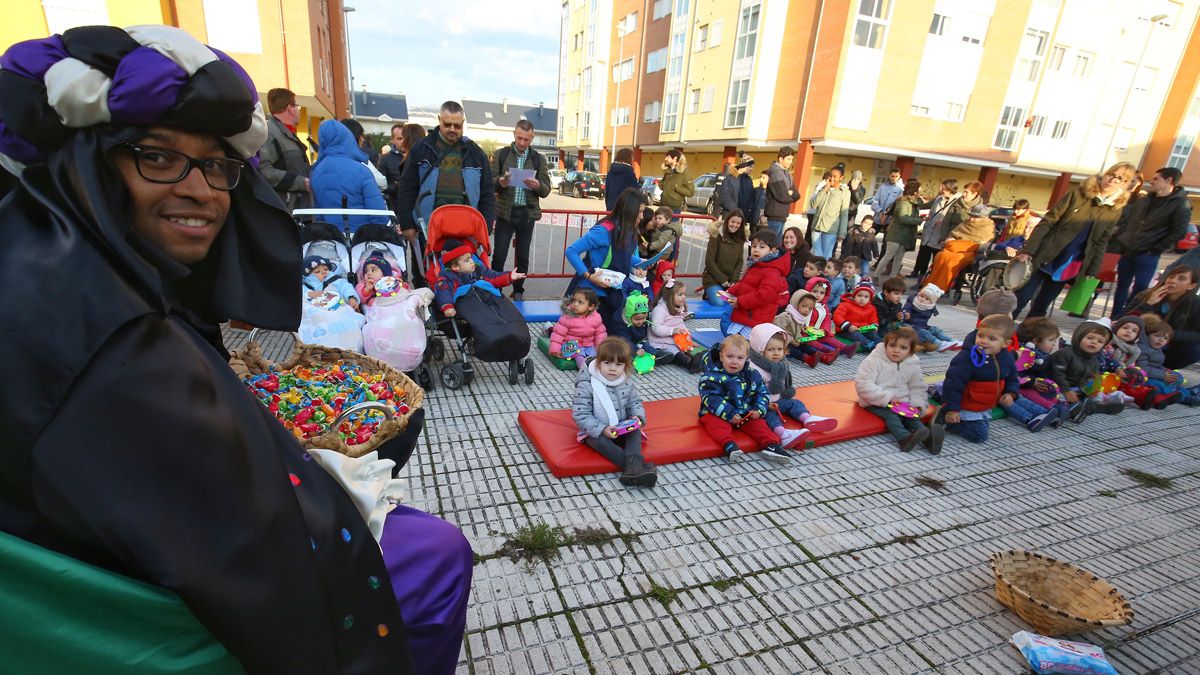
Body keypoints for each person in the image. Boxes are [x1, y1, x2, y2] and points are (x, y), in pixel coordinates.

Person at [0, 25, 470, 673]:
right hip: (157, 599)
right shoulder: (114, 341)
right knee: (439, 549)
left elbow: (226, 349)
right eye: (158, 157)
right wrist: (322, 478)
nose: (199, 189)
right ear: (92, 162)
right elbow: (259, 540)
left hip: (106, 544)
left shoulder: (54, 252)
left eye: (217, 165)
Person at [1012, 163, 1136, 319]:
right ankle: (1000, 335)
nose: (1112, 180)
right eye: (1111, 174)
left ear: (1125, 184)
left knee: (1041, 306)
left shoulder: (1114, 209)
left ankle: (1026, 339)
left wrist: (1092, 270)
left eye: (1120, 178)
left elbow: (1101, 241)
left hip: (1069, 264)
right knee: (1020, 299)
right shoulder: (1078, 194)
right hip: (1044, 255)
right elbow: (1048, 222)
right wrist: (1028, 250)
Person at [396, 100, 496, 241]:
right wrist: (407, 224)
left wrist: (486, 226)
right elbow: (407, 188)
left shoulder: (476, 153)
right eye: (447, 124)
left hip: (465, 230)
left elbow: (487, 193)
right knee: (424, 264)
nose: (452, 129)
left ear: (463, 123)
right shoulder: (421, 149)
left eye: (457, 125)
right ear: (439, 120)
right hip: (428, 228)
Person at [571, 337, 657, 487]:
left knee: (635, 432)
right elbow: (581, 414)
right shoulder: (587, 384)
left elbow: (634, 402)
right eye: (607, 363)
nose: (612, 368)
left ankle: (632, 470)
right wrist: (602, 429)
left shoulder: (626, 381)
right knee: (599, 442)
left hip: (621, 426)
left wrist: (637, 417)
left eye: (618, 364)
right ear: (598, 362)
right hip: (595, 430)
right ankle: (636, 467)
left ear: (625, 366)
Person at [1109, 167, 1192, 318]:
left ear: (1169, 180)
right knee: (1121, 285)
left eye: (1156, 179)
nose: (1151, 182)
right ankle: (1114, 318)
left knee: (1140, 288)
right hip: (1129, 250)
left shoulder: (1180, 204)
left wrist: (1156, 249)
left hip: (1148, 254)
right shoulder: (1145, 199)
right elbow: (1130, 221)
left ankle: (1129, 318)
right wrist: (1124, 238)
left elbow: (1179, 231)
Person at [698, 335, 792, 463]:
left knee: (759, 424)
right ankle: (729, 445)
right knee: (715, 424)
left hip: (744, 412)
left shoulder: (752, 374)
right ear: (721, 356)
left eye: (740, 358)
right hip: (718, 412)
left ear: (746, 358)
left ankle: (771, 445)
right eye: (729, 356)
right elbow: (711, 399)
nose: (734, 361)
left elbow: (762, 393)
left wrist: (758, 410)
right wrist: (730, 414)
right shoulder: (711, 377)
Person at [565, 188, 646, 335]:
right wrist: (588, 276)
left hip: (613, 293)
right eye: (639, 212)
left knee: (611, 335)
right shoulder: (603, 231)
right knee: (582, 333)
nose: (642, 216)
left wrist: (640, 264)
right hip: (590, 293)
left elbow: (625, 257)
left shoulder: (631, 231)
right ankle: (552, 330)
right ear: (629, 211)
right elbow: (571, 251)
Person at [933, 314, 1021, 444]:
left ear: (1005, 344)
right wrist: (952, 409)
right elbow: (953, 385)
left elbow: (1012, 378)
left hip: (983, 405)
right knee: (980, 436)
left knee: (983, 427)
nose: (983, 341)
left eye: (992, 338)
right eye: (980, 336)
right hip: (966, 405)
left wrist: (1010, 393)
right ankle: (946, 420)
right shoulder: (966, 358)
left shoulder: (1006, 358)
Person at [748, 324, 838, 449]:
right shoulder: (753, 369)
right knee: (770, 417)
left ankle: (808, 419)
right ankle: (784, 434)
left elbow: (785, 381)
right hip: (763, 405)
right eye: (770, 350)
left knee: (795, 403)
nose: (776, 353)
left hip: (779, 399)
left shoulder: (781, 364)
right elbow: (750, 391)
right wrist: (762, 404)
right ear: (759, 350)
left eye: (779, 349)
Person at [492, 120, 551, 302]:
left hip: (526, 213)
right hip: (505, 213)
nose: (522, 143)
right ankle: (495, 289)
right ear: (514, 134)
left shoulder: (538, 159)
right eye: (519, 138)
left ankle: (518, 290)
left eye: (526, 139)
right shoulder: (500, 154)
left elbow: (547, 189)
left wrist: (537, 185)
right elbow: (488, 182)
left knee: (523, 257)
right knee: (499, 255)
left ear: (532, 137)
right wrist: (500, 182)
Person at [855, 326, 940, 453]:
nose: (896, 350)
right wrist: (887, 398)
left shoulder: (912, 364)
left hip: (902, 402)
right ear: (885, 345)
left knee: (912, 418)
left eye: (903, 348)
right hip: (876, 401)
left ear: (910, 352)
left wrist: (917, 405)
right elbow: (863, 383)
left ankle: (928, 439)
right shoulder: (874, 360)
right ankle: (904, 438)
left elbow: (918, 387)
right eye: (892, 346)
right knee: (892, 417)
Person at [310, 119, 390, 234]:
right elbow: (378, 214)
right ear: (347, 138)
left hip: (334, 239)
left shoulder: (316, 172)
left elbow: (320, 215)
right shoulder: (361, 170)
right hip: (362, 239)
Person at [1049, 319, 1126, 422]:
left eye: (1100, 341)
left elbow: (1093, 376)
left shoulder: (1094, 359)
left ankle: (1091, 405)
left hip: (1078, 389)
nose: (1094, 342)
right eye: (1090, 338)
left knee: (1095, 393)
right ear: (1079, 336)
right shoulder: (1065, 354)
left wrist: (1092, 390)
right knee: (1060, 399)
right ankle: (1082, 409)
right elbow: (1057, 374)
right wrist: (1067, 391)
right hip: (1059, 387)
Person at [1126, 266, 1200, 368]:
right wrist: (1148, 304)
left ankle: (1164, 369)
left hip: (1171, 345)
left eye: (1181, 279)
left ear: (1191, 286)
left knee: (1194, 350)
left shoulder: (1196, 304)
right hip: (1141, 342)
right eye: (1171, 277)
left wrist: (1168, 334)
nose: (1173, 281)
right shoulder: (1147, 294)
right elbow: (1123, 320)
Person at [724, 229, 791, 337]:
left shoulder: (772, 271)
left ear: (772, 250)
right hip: (747, 314)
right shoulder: (757, 265)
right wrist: (730, 291)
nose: (756, 249)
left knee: (746, 345)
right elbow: (744, 284)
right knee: (736, 342)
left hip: (756, 318)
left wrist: (740, 301)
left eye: (762, 247)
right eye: (754, 246)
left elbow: (764, 294)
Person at [433, 239, 523, 317]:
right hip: (467, 306)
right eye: (467, 260)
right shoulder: (447, 277)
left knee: (506, 309)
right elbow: (443, 292)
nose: (472, 262)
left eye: (471, 258)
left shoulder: (479, 269)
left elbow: (493, 277)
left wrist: (509, 276)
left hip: (484, 303)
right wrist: (447, 306)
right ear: (455, 267)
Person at [258, 87, 312, 212]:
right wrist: (302, 182)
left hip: (296, 208)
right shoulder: (269, 133)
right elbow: (264, 171)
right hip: (284, 210)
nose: (299, 111)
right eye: (297, 107)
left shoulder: (286, 133)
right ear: (290, 109)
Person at [924, 203, 996, 293]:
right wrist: (951, 239)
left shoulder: (988, 227)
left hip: (969, 253)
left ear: (984, 217)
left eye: (975, 217)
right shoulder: (965, 223)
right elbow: (953, 234)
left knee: (952, 262)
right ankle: (930, 285)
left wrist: (967, 245)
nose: (971, 219)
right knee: (940, 256)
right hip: (953, 249)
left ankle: (942, 288)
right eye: (971, 216)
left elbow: (985, 244)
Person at [1137, 314, 1200, 406]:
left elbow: (1156, 365)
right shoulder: (1143, 349)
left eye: (1165, 338)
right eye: (1157, 336)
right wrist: (1163, 375)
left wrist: (1165, 371)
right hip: (1143, 377)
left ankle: (1186, 392)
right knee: (1157, 385)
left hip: (1156, 373)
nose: (1161, 340)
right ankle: (1182, 396)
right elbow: (1143, 368)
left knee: (1178, 377)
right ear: (1148, 335)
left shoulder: (1157, 349)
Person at [910, 179, 966, 278]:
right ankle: (918, 272)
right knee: (923, 252)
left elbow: (956, 219)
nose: (941, 190)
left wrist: (944, 223)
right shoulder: (939, 198)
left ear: (950, 189)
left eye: (943, 188)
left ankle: (930, 276)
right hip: (930, 229)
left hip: (942, 232)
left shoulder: (958, 202)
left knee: (936, 256)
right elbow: (926, 206)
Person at [648, 280, 704, 372]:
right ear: (668, 296)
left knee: (686, 348)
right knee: (674, 350)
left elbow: (681, 325)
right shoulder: (660, 310)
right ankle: (688, 363)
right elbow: (656, 328)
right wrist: (672, 331)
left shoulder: (677, 308)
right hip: (660, 342)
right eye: (680, 294)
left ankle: (698, 360)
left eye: (684, 294)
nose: (684, 297)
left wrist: (688, 339)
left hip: (675, 340)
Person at [775, 289, 840, 367]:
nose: (806, 310)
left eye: (809, 309)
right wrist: (791, 340)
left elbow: (797, 332)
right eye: (804, 306)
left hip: (793, 340)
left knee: (804, 345)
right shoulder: (785, 316)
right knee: (792, 349)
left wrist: (799, 339)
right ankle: (806, 359)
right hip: (781, 343)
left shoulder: (800, 318)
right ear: (796, 303)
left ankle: (822, 356)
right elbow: (778, 332)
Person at [874, 179, 923, 279]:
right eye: (919, 190)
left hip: (905, 235)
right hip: (896, 234)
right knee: (889, 256)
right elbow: (902, 218)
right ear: (915, 191)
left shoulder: (914, 202)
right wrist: (918, 220)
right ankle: (876, 275)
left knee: (898, 258)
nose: (921, 192)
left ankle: (892, 278)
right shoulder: (903, 202)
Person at [702, 209, 748, 306]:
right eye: (732, 221)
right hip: (713, 280)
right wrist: (722, 280)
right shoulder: (716, 235)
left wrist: (734, 281)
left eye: (738, 223)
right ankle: (710, 293)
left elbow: (739, 262)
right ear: (727, 221)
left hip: (730, 282)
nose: (735, 225)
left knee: (741, 301)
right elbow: (709, 261)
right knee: (720, 302)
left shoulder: (740, 239)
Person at [902, 284, 961, 352]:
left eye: (927, 299)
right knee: (924, 332)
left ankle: (952, 341)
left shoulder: (930, 306)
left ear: (931, 302)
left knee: (935, 329)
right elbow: (905, 310)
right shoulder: (912, 302)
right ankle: (939, 344)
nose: (922, 299)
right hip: (912, 327)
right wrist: (905, 314)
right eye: (921, 296)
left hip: (923, 326)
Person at [809, 166, 851, 259]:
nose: (832, 178)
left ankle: (824, 273)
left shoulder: (844, 192)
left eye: (835, 176)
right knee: (816, 253)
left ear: (841, 178)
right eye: (831, 176)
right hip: (817, 226)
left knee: (826, 255)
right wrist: (824, 189)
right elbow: (814, 205)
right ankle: (819, 272)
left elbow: (844, 213)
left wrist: (842, 232)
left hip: (830, 230)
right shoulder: (823, 188)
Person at [340, 118, 387, 190]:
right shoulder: (360, 160)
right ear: (353, 136)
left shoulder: (322, 163)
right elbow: (382, 182)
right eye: (360, 135)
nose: (363, 139)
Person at [764, 147, 802, 237]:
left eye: (791, 159)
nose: (791, 162)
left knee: (777, 246)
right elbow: (783, 197)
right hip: (774, 215)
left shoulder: (787, 174)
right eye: (788, 159)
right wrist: (788, 193)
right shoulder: (776, 173)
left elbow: (797, 195)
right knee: (772, 246)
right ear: (781, 159)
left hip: (782, 215)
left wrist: (790, 193)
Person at [834, 283, 882, 352]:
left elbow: (873, 319)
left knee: (873, 334)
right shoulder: (845, 305)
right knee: (857, 335)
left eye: (866, 297)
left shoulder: (871, 308)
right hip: (846, 330)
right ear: (854, 296)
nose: (862, 299)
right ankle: (869, 346)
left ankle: (881, 344)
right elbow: (837, 316)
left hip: (863, 329)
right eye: (859, 295)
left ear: (870, 299)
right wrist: (848, 326)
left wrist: (874, 326)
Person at [658, 148, 694, 213]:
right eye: (666, 157)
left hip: (674, 209)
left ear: (675, 158)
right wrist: (660, 184)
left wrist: (677, 188)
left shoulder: (684, 172)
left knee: (672, 223)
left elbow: (691, 193)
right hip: (662, 206)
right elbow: (663, 186)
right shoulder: (667, 171)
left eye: (668, 157)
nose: (665, 159)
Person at [604, 147, 640, 211]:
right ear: (628, 158)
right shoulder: (629, 172)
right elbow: (634, 191)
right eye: (632, 157)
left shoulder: (611, 172)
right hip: (625, 208)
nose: (633, 159)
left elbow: (607, 189)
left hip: (610, 206)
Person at [870, 167, 904, 233]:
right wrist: (880, 212)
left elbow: (897, 205)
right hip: (877, 218)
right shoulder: (883, 187)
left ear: (899, 176)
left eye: (896, 176)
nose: (894, 178)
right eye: (892, 176)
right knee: (869, 237)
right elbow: (875, 201)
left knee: (886, 242)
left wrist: (886, 215)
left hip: (889, 220)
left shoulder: (901, 189)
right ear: (889, 176)